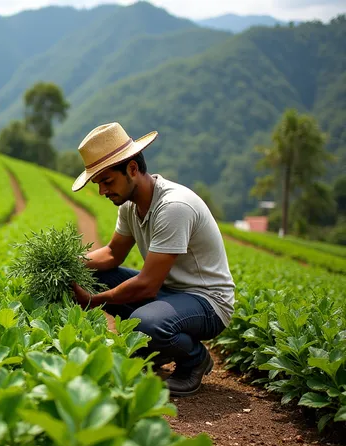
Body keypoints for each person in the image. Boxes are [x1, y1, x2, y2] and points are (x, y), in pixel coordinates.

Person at [68, 122, 235, 397]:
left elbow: (146, 285)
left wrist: (94, 300)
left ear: (132, 169)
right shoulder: (130, 205)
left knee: (146, 324)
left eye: (107, 181)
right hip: (169, 293)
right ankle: (154, 351)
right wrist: (69, 263)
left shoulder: (173, 207)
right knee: (94, 277)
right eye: (98, 184)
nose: (102, 191)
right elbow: (112, 254)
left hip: (207, 301)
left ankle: (194, 359)